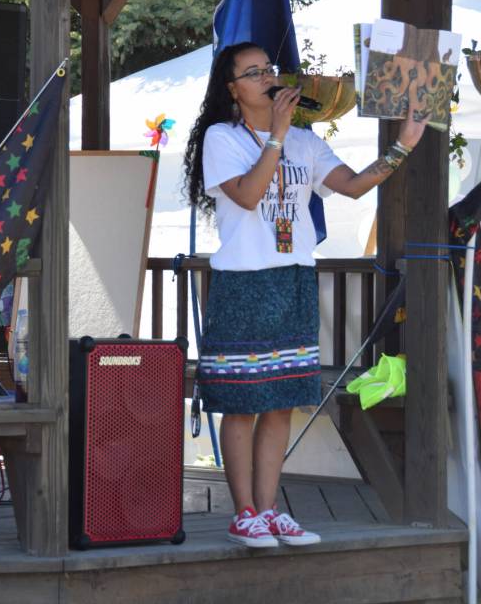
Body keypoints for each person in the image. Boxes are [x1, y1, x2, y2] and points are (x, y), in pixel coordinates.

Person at [182, 42, 426, 548]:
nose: (268, 77)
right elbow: (248, 196)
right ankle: (244, 513)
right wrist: (275, 134)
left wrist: (403, 143)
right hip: (244, 281)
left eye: (270, 68)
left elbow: (355, 186)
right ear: (233, 90)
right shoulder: (220, 138)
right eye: (254, 72)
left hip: (293, 277)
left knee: (280, 403)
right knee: (242, 401)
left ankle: (270, 510)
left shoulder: (306, 142)